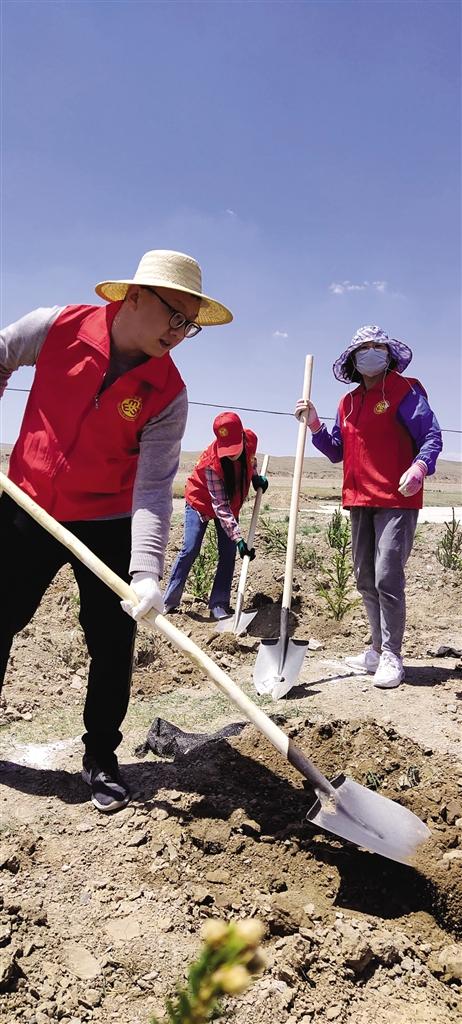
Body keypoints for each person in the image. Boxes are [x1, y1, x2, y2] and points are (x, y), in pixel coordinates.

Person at [0, 249, 233, 812]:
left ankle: (101, 757)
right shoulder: (56, 327)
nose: (179, 333)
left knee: (111, 643)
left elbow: (153, 489)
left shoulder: (167, 394)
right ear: (134, 297)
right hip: (26, 506)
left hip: (106, 521)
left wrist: (147, 572)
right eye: (175, 316)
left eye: (190, 326)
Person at [295, 324, 442, 689]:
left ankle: (393, 654)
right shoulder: (347, 403)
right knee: (364, 577)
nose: (370, 353)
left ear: (388, 354)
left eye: (377, 346)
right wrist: (314, 424)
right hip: (359, 499)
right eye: (363, 348)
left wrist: (420, 467)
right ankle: (376, 649)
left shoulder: (404, 390)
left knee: (387, 575)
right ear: (353, 361)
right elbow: (337, 452)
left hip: (396, 497)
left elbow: (431, 435)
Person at [163, 411, 268, 620]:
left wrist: (255, 477)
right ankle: (169, 601)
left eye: (234, 448)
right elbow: (220, 507)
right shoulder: (212, 464)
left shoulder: (250, 440)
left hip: (232, 503)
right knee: (190, 548)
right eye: (226, 449)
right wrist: (238, 538)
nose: (230, 454)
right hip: (200, 501)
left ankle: (218, 604)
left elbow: (252, 460)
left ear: (242, 437)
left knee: (227, 554)